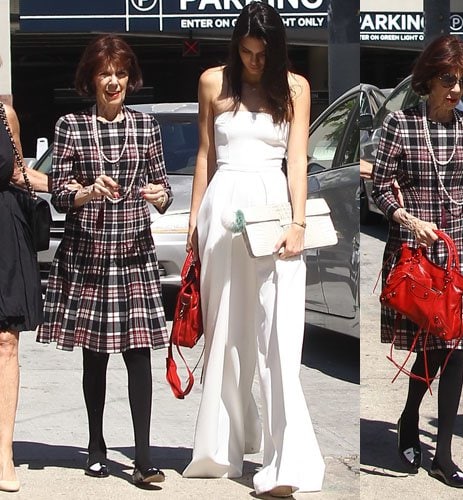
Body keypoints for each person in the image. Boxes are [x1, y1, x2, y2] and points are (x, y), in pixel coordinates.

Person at [182, 3, 325, 497]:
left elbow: (298, 162)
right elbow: (205, 154)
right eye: (245, 52)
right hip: (221, 213)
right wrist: (193, 223)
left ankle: (286, 459)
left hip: (273, 214)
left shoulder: (297, 88)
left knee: (277, 336)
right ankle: (221, 449)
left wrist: (299, 222)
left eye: (262, 54)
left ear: (277, 49)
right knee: (225, 332)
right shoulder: (211, 83)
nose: (254, 62)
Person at [372, 35, 463, 489]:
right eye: (448, 78)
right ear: (428, 76)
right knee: (427, 349)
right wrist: (407, 219)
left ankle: (443, 454)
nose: (455, 89)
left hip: (459, 255)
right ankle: (410, 419)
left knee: (455, 349)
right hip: (415, 256)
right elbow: (380, 186)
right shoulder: (400, 124)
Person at [37, 34, 172, 485]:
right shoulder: (70, 126)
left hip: (134, 253)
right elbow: (57, 192)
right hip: (87, 254)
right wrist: (86, 191)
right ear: (91, 79)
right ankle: (95, 447)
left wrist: (160, 196)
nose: (113, 81)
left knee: (139, 355)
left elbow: (162, 187)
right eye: (104, 73)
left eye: (119, 73)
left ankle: (144, 458)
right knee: (95, 357)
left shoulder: (146, 126)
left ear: (130, 78)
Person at [0, 58, 51, 494]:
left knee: (5, 339)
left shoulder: (4, 113)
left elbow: (19, 173)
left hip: (4, 233)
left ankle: (4, 454)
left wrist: (76, 185)